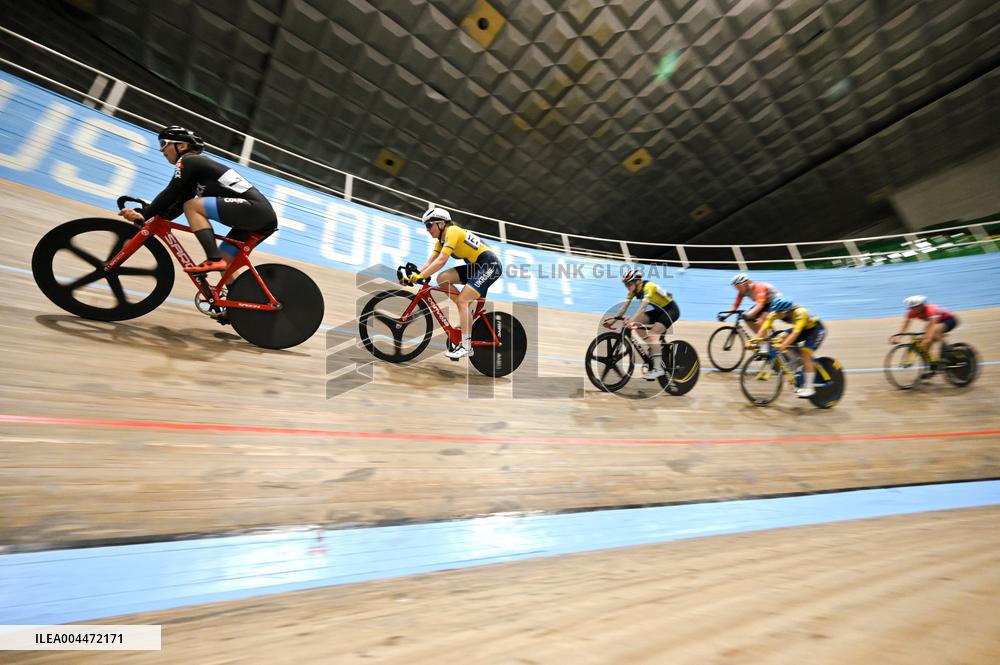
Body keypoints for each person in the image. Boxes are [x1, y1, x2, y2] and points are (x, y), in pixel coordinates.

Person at [117, 125, 277, 274]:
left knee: (192, 206)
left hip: (255, 211)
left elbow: (171, 192)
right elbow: (177, 206)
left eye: (164, 143)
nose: (161, 149)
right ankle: (230, 300)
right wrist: (152, 218)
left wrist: (145, 213)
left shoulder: (188, 160)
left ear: (182, 146)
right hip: (256, 218)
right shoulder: (195, 175)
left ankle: (213, 259)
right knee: (226, 269)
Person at [402, 207, 502, 360]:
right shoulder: (441, 241)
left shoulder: (453, 231)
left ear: (441, 223)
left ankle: (466, 347)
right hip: (478, 266)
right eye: (426, 226)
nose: (427, 230)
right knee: (442, 278)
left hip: (490, 265)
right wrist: (414, 276)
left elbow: (442, 260)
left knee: (462, 299)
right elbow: (431, 261)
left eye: (429, 225)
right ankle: (465, 312)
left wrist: (421, 275)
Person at [609, 267, 680, 380]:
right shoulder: (633, 291)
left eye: (629, 284)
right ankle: (654, 349)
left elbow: (643, 308)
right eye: (626, 285)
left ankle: (658, 369)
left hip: (670, 310)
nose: (627, 287)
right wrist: (613, 320)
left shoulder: (648, 287)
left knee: (652, 335)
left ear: (637, 282)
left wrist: (631, 321)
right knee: (637, 325)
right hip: (658, 311)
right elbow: (624, 308)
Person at [752, 296, 826, 398]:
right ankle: (796, 364)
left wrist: (783, 345)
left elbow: (795, 333)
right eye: (775, 311)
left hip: (816, 330)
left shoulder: (800, 313)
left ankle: (809, 388)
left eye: (779, 312)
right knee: (779, 337)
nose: (776, 314)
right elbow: (764, 327)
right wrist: (755, 341)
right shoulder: (776, 312)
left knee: (805, 354)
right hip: (802, 328)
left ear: (786, 311)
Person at [892, 295, 958, 366]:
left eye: (914, 307)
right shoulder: (911, 312)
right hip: (934, 321)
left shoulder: (931, 310)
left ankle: (945, 353)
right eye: (911, 307)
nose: (912, 309)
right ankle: (931, 365)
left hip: (949, 320)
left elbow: (933, 325)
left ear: (922, 305)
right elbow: (905, 324)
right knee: (922, 340)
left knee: (933, 333)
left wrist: (927, 339)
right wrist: (899, 336)